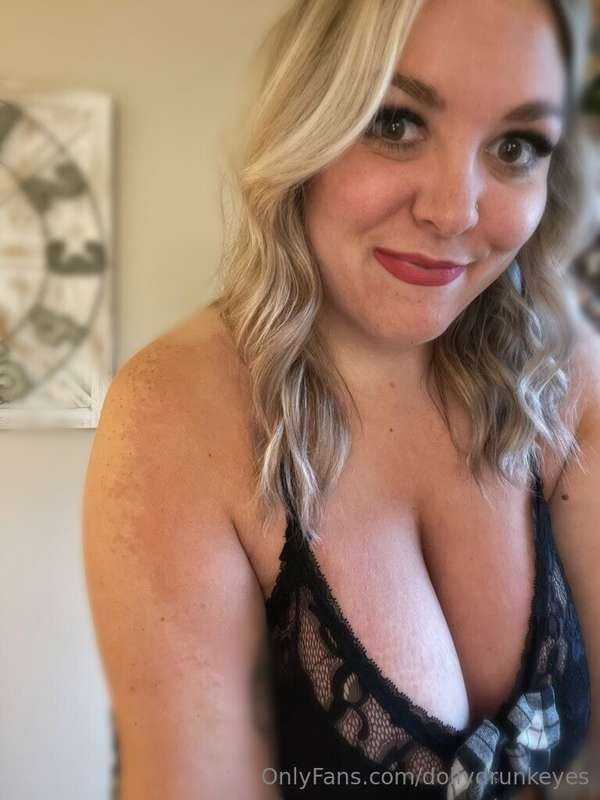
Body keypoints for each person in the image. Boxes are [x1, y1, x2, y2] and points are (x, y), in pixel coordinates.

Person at [83, 0, 600, 798]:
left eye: (515, 145)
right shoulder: (176, 416)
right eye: (396, 123)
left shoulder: (565, 379)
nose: (454, 212)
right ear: (308, 126)